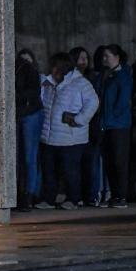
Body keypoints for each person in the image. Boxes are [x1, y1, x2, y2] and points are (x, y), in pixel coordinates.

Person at [34, 52, 99, 210]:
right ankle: (49, 199)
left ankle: (73, 199)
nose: (52, 69)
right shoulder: (48, 83)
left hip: (71, 138)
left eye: (55, 66)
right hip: (48, 137)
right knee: (49, 170)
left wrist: (78, 120)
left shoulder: (80, 83)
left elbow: (94, 102)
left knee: (71, 171)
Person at [95, 45, 133, 208]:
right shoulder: (105, 75)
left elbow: (122, 101)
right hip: (106, 124)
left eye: (107, 56)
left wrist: (109, 118)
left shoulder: (123, 75)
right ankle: (115, 195)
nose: (104, 59)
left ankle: (121, 196)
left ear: (117, 57)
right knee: (110, 161)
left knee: (119, 161)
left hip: (118, 125)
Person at [71, 46, 101, 207]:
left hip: (91, 126)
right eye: (81, 58)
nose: (84, 61)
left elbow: (95, 102)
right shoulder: (69, 78)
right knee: (77, 163)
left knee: (91, 162)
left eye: (86, 58)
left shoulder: (92, 78)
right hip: (74, 127)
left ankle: (91, 195)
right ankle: (80, 195)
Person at [15, 49, 43, 211]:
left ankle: (28, 194)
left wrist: (15, 96)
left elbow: (33, 93)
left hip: (29, 113)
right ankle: (22, 193)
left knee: (29, 157)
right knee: (21, 157)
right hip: (19, 113)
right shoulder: (15, 68)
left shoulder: (26, 69)